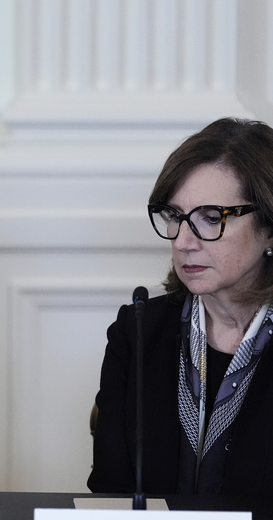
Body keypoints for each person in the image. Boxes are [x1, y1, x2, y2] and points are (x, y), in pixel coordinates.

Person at [90, 117, 273, 496]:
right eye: (175, 217)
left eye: (211, 218)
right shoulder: (139, 329)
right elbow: (110, 493)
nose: (183, 241)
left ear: (269, 227)